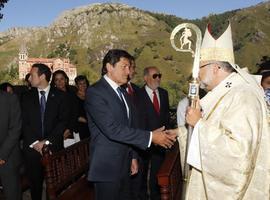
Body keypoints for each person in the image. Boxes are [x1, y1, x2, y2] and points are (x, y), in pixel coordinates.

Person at [170, 23, 270, 199]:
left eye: (200, 67)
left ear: (215, 68)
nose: (197, 75)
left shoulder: (243, 95)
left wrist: (199, 125)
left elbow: (238, 156)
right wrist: (183, 131)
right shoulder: (228, 92)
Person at [85, 49, 177, 200]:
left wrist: (133, 156)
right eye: (124, 67)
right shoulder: (96, 92)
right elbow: (112, 130)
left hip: (125, 162)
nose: (128, 72)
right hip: (107, 167)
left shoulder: (122, 92)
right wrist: (150, 137)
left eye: (129, 67)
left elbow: (130, 125)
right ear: (109, 67)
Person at [21, 63, 70, 200]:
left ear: (42, 76)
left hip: (53, 147)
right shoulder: (26, 97)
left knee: (54, 186)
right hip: (32, 149)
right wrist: (36, 142)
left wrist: (46, 142)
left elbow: (63, 122)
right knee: (35, 186)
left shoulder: (61, 96)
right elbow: (24, 123)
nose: (29, 78)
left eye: (32, 75)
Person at [137, 66, 170, 200]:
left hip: (162, 143)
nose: (158, 79)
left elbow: (166, 117)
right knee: (143, 175)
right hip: (145, 142)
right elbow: (136, 121)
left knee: (159, 174)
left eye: (159, 75)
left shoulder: (164, 93)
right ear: (145, 78)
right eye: (155, 76)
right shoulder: (137, 95)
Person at [0, 91, 22, 200]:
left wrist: (2, 155)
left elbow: (15, 129)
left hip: (7, 158)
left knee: (12, 195)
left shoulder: (10, 98)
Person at [51, 70, 78, 140]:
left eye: (62, 79)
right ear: (54, 82)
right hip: (58, 131)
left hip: (73, 127)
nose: (59, 81)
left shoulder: (73, 91)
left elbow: (75, 111)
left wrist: (69, 128)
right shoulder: (51, 96)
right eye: (57, 80)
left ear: (66, 80)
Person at [74, 75, 90, 139]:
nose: (83, 85)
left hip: (92, 125)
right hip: (81, 127)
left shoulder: (91, 95)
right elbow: (74, 115)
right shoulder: (73, 98)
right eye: (80, 84)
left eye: (84, 83)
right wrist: (87, 121)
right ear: (76, 85)